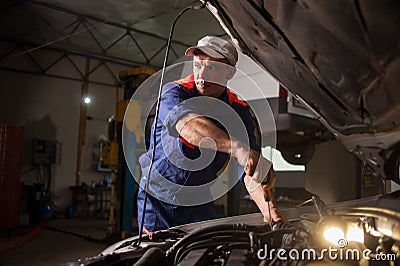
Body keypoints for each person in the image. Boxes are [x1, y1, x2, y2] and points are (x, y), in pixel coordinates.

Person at [137, 36, 286, 235]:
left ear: (230, 73)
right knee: (155, 254)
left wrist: (271, 212)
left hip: (199, 199)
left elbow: (250, 168)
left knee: (201, 252)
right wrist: (239, 148)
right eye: (198, 65)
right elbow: (188, 126)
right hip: (158, 198)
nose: (202, 75)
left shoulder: (238, 110)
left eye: (212, 68)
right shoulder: (174, 92)